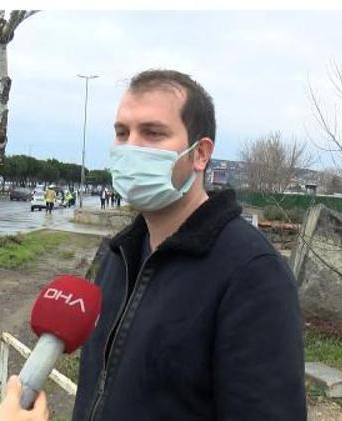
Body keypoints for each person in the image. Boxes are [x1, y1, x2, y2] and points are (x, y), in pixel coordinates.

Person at [70, 70, 306, 420]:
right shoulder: (119, 255)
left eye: (152, 133)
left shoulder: (252, 274)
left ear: (200, 154)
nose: (131, 146)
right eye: (122, 133)